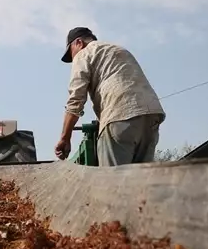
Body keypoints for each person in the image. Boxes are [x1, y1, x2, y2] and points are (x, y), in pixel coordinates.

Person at [54, 26, 165, 166]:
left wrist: (65, 138)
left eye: (71, 53)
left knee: (111, 182)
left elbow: (76, 99)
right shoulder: (118, 49)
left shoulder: (84, 53)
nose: (73, 58)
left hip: (119, 115)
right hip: (151, 116)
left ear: (78, 43)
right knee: (140, 183)